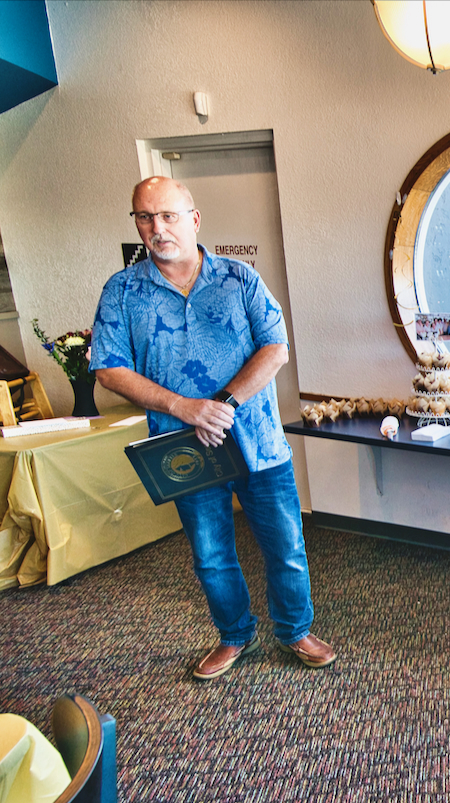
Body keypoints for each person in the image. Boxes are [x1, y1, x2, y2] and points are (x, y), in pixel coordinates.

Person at [91, 177, 334, 681]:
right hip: (184, 447)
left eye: (168, 215)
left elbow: (276, 349)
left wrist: (222, 403)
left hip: (258, 442)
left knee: (286, 545)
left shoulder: (238, 278)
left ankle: (294, 630)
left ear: (194, 218)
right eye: (144, 217)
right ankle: (234, 635)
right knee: (210, 554)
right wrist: (184, 407)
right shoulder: (123, 291)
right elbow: (108, 368)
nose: (157, 228)